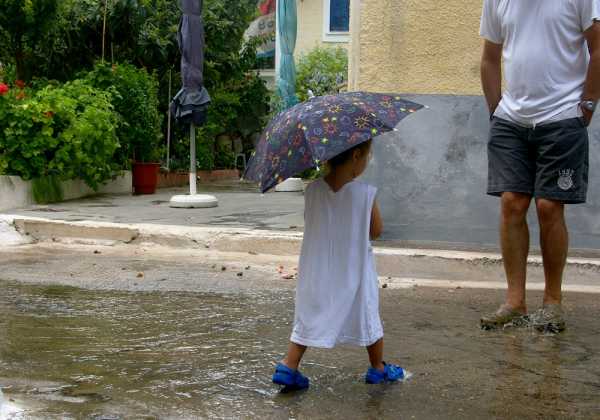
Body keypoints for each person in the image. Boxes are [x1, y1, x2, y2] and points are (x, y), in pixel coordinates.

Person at [479, 0, 600, 331]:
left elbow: (598, 45)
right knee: (512, 204)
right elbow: (490, 58)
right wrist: (496, 113)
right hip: (511, 121)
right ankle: (515, 303)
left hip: (562, 116)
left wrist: (587, 105)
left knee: (549, 206)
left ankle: (552, 303)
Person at [271, 139, 409, 391]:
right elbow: (376, 231)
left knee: (308, 316)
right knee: (367, 313)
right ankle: (378, 368)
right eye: (368, 156)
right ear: (356, 155)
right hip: (354, 270)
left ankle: (288, 366)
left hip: (317, 269)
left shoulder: (312, 190)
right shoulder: (365, 193)